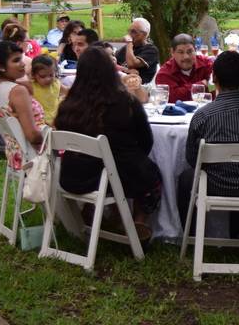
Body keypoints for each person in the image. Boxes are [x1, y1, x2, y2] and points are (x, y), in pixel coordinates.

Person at [55, 46, 161, 241]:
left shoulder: (68, 104)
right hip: (114, 176)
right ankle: (139, 222)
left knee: (115, 164)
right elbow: (146, 141)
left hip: (73, 174)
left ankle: (99, 213)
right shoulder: (125, 102)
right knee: (148, 172)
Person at [177, 51, 239, 229]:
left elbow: (192, 158)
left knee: (186, 178)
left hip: (214, 183)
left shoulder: (203, 115)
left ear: (214, 78)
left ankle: (190, 234)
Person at [0, 39, 46, 171]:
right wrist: (51, 134)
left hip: (15, 154)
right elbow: (33, 136)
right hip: (36, 155)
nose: (23, 64)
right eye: (16, 60)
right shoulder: (18, 92)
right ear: (1, 67)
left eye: (21, 59)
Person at [155, 33, 213, 103]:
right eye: (180, 52)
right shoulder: (164, 73)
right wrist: (202, 84)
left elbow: (215, 89)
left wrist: (182, 91)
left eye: (190, 51)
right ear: (172, 52)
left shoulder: (207, 64)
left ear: (195, 50)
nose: (186, 56)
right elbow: (172, 98)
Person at [24, 54, 68, 126]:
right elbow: (14, 82)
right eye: (42, 76)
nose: (48, 79)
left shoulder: (56, 83)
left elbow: (67, 91)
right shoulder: (31, 85)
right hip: (41, 120)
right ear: (34, 75)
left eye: (51, 75)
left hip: (57, 116)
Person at [115, 17, 159, 84]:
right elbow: (111, 64)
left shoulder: (151, 50)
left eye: (133, 32)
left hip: (138, 88)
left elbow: (131, 64)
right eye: (129, 31)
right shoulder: (126, 48)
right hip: (121, 84)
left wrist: (129, 42)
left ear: (144, 35)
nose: (129, 34)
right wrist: (126, 70)